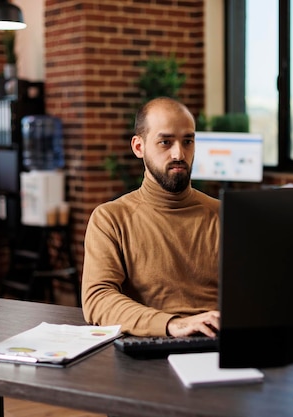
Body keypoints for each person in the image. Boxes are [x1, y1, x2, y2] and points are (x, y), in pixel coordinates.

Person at [81, 97, 220, 338]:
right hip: (151, 346)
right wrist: (172, 324)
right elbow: (98, 299)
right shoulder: (111, 219)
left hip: (219, 344)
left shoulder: (223, 215)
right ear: (138, 147)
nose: (179, 153)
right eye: (165, 142)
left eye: (188, 141)